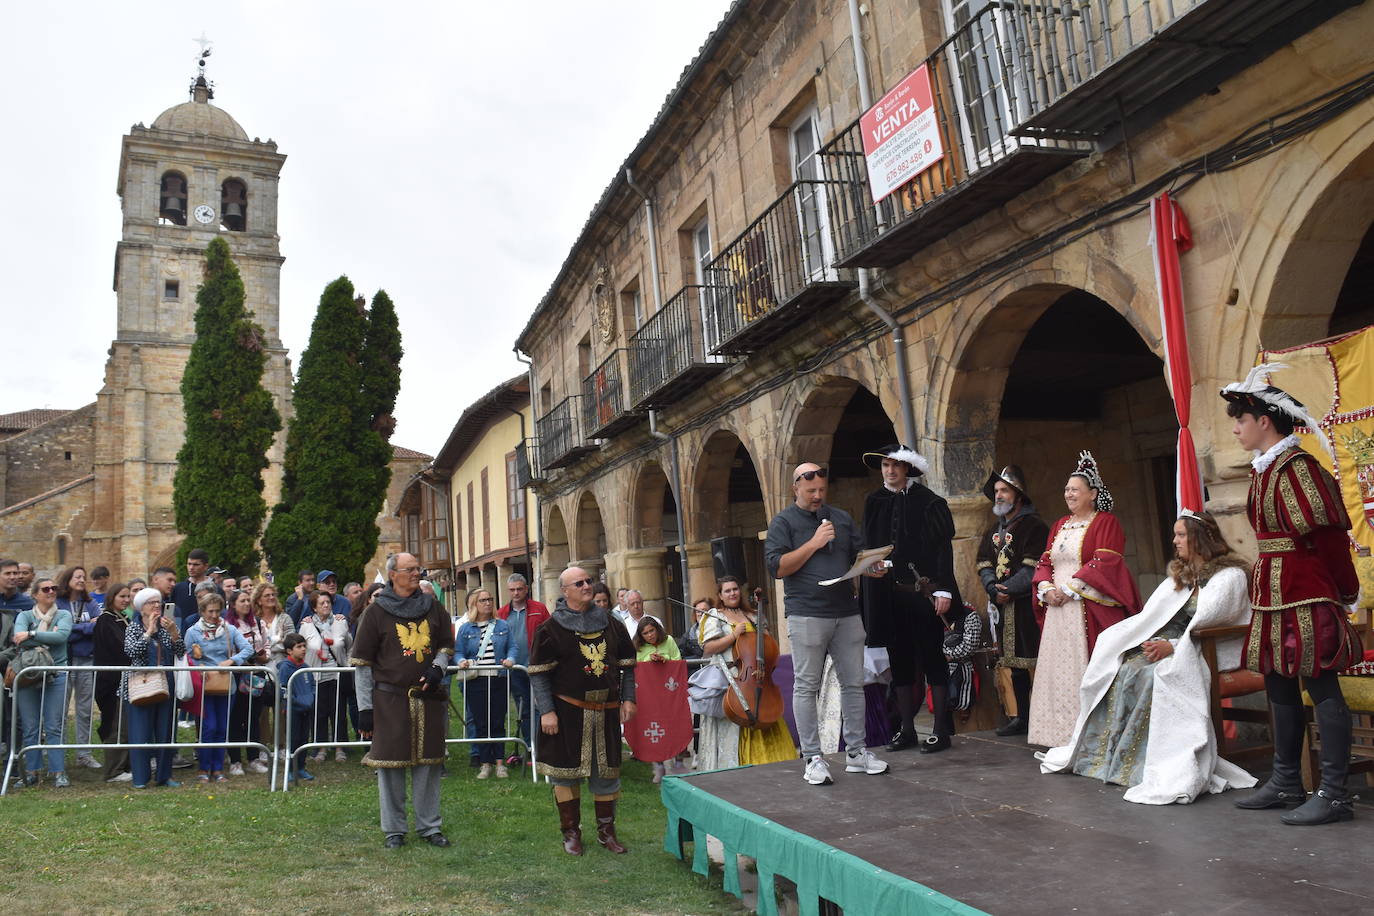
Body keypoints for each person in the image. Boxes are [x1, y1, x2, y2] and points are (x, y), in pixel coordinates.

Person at [1222, 367, 1364, 825]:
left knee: (1320, 682)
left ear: (1265, 420)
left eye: (1240, 419)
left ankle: (1336, 792)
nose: (1236, 427)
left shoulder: (1299, 468)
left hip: (1306, 591)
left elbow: (1329, 539)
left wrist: (1346, 591)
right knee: (1279, 680)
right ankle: (1286, 782)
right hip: (1271, 591)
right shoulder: (1265, 470)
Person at [1040, 510, 1258, 803]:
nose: (1174, 541)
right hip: (1177, 644)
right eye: (1175, 534)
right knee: (1120, 666)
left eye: (1181, 535)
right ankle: (1112, 762)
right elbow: (1154, 615)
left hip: (1209, 650)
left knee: (1153, 675)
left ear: (1200, 538)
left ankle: (1149, 764)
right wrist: (1143, 640)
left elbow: (1214, 623)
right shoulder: (1180, 575)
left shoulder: (1229, 576)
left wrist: (1172, 646)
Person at [766, 462, 889, 787]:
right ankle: (813, 758)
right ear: (796, 488)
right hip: (807, 613)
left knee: (853, 683)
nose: (818, 496)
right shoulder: (783, 522)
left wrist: (870, 567)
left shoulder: (841, 517)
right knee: (807, 685)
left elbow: (855, 555)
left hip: (846, 611)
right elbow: (777, 568)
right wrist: (813, 543)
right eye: (811, 491)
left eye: (822, 490)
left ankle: (857, 753)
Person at [1029, 451, 1142, 748]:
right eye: (1066, 489)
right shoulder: (1060, 525)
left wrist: (1068, 589)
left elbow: (1105, 562)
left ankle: (1093, 737)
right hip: (1058, 610)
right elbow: (1046, 560)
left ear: (1092, 494)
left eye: (1075, 489)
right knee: (1058, 674)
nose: (1068, 494)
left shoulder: (1105, 522)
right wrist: (1045, 587)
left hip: (1084, 605)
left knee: (1087, 667)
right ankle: (1058, 735)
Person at [859, 443, 963, 754]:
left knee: (933, 659)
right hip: (891, 596)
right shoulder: (873, 501)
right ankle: (905, 729)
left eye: (895, 465)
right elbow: (867, 543)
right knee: (900, 662)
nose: (889, 471)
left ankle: (940, 730)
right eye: (885, 466)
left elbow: (943, 549)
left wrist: (944, 589)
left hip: (924, 594)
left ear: (907, 469)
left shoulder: (929, 502)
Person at [351, 553, 455, 849]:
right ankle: (394, 829)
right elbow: (362, 663)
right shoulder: (375, 613)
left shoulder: (432, 607)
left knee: (429, 765)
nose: (416, 573)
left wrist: (438, 668)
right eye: (410, 570)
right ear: (393, 574)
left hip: (428, 697)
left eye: (417, 569)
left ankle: (429, 826)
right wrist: (365, 709)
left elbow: (446, 645)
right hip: (390, 699)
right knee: (390, 766)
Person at [531, 567, 636, 855]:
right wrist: (547, 711)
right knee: (566, 775)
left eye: (589, 581)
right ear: (565, 590)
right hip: (567, 714)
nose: (587, 586)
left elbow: (627, 665)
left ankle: (607, 832)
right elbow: (539, 674)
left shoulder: (611, 624)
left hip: (606, 712)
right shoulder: (550, 630)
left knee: (606, 774)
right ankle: (571, 833)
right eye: (579, 583)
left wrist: (628, 699)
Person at [975, 465, 1050, 737]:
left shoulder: (1035, 526)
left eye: (1004, 490)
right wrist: (993, 589)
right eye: (996, 491)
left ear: (1018, 494)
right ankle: (1022, 718)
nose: (998, 495)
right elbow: (983, 564)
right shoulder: (991, 531)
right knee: (1014, 666)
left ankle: (1046, 717)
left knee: (1035, 662)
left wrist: (1008, 589)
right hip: (1002, 606)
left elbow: (1033, 568)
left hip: (1029, 606)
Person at [696, 576, 796, 773]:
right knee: (736, 718)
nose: (732, 593)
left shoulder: (752, 615)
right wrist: (733, 635)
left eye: (735, 589)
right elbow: (707, 648)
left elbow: (767, 647)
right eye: (727, 591)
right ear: (720, 595)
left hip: (757, 677)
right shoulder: (715, 615)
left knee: (766, 713)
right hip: (732, 678)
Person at [184, 590, 253, 783]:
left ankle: (217, 768)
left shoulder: (229, 630)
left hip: (226, 684)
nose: (214, 616)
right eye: (210, 612)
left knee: (222, 727)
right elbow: (186, 657)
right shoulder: (193, 632)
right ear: (202, 611)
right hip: (204, 685)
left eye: (217, 611)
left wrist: (231, 661)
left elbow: (248, 648)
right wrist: (199, 668)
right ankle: (204, 768)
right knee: (209, 726)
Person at [12, 578, 74, 787]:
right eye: (46, 589)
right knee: (30, 726)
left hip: (56, 674)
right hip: (29, 675)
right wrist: (48, 635)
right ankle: (32, 772)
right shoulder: (24, 615)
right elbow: (17, 639)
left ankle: (58, 772)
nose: (51, 592)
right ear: (35, 594)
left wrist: (31, 633)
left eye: (54, 588)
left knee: (54, 725)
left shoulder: (64, 614)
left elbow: (62, 637)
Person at [123, 586, 184, 788]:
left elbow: (181, 652)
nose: (157, 606)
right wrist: (149, 632)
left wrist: (174, 633)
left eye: (158, 602)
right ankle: (140, 778)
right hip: (141, 684)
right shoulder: (134, 627)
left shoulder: (167, 626)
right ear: (141, 608)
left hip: (165, 682)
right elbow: (131, 651)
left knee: (165, 731)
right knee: (140, 733)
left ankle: (164, 776)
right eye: (151, 603)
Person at [457, 588, 516, 779]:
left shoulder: (502, 625)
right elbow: (458, 651)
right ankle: (485, 763)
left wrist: (511, 659)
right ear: (475, 604)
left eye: (490, 599)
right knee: (481, 722)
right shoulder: (466, 628)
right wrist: (460, 661)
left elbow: (512, 647)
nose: (488, 603)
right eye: (483, 600)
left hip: (498, 678)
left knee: (498, 720)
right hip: (476, 680)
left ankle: (500, 763)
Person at [496, 572, 549, 767]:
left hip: (536, 667)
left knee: (541, 707)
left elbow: (549, 634)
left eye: (519, 589)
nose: (516, 593)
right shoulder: (501, 613)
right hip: (515, 670)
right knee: (524, 710)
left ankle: (543, 748)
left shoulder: (539, 609)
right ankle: (530, 748)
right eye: (512, 590)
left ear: (526, 589)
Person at [56, 565, 102, 769]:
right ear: (68, 580)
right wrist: (85, 628)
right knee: (61, 708)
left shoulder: (90, 603)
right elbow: (60, 632)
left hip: (86, 659)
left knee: (84, 709)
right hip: (64, 660)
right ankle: (59, 752)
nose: (82, 580)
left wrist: (75, 629)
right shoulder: (58, 603)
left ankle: (84, 753)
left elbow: (98, 626)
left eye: (84, 577)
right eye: (78, 576)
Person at [300, 590, 352, 763]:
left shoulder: (340, 621)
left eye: (328, 602)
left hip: (337, 673)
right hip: (316, 674)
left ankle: (339, 747)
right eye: (321, 603)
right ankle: (320, 747)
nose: (326, 605)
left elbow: (349, 645)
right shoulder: (306, 625)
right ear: (314, 607)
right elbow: (302, 647)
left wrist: (349, 664)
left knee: (338, 711)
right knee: (319, 712)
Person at [224, 588, 270, 776]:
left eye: (247, 600)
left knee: (254, 717)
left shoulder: (258, 623)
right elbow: (226, 650)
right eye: (241, 601)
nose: (245, 604)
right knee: (235, 718)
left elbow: (266, 645)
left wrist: (263, 656)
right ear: (233, 604)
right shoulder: (228, 626)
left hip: (256, 674)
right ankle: (235, 760)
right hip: (237, 674)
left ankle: (253, 758)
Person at [93, 581, 134, 782]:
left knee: (125, 724)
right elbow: (122, 647)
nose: (126, 600)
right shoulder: (106, 620)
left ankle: (124, 765)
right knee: (114, 724)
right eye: (122, 596)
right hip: (111, 682)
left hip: (125, 681)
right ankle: (113, 770)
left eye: (128, 596)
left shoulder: (124, 618)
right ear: (112, 598)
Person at [0, 559, 35, 757]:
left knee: (14, 714)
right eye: (8, 573)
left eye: (16, 573)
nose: (14, 577)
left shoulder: (26, 603)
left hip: (16, 662)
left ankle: (14, 758)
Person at [277, 633, 315, 782]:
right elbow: (283, 689)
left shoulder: (306, 667)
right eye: (299, 647)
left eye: (304, 646)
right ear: (289, 651)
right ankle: (290, 769)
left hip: (307, 709)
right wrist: (296, 701)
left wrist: (311, 698)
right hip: (293, 710)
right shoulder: (285, 668)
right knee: (293, 740)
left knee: (304, 739)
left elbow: (312, 685)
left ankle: (301, 767)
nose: (303, 649)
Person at [173, 549, 212, 631]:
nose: (191, 568)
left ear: (205, 566)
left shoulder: (215, 589)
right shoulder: (178, 588)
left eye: (196, 564)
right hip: (182, 634)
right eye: (189, 564)